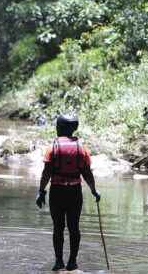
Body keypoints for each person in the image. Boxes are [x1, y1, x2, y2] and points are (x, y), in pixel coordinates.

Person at [36, 115, 101, 271]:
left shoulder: (53, 148)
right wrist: (94, 190)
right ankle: (72, 262)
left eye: (58, 126)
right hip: (75, 193)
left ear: (61, 128)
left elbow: (46, 173)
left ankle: (59, 261)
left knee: (58, 227)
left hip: (57, 193)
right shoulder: (82, 149)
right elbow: (87, 173)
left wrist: (41, 191)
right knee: (74, 227)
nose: (56, 128)